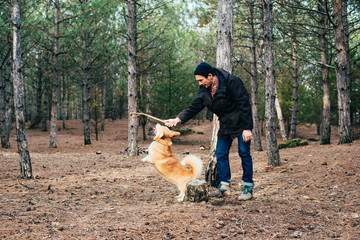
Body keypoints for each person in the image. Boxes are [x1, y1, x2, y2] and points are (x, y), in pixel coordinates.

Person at [164, 62, 254, 201]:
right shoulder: (204, 90)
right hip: (225, 124)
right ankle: (224, 186)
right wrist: (178, 119)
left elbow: (244, 104)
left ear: (210, 76)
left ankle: (247, 187)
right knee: (220, 153)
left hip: (241, 122)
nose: (200, 83)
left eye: (201, 80)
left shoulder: (231, 82)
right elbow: (194, 107)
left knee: (244, 153)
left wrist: (247, 128)